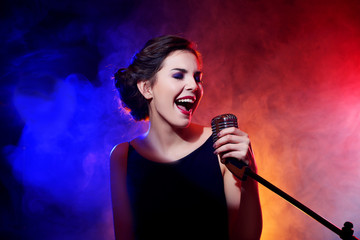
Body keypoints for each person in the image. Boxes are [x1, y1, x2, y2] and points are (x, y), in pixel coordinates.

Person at [110, 35, 262, 240]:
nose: (194, 86)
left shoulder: (222, 144)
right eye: (179, 76)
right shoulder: (123, 156)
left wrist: (249, 175)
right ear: (146, 88)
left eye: (197, 77)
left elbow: (245, 238)